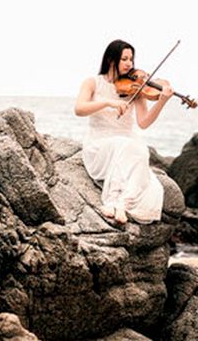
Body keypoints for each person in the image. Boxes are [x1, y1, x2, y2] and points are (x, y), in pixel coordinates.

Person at [74, 39, 173, 224]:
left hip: (127, 141)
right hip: (99, 144)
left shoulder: (135, 88)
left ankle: (121, 205)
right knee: (124, 146)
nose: (129, 64)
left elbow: (144, 122)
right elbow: (79, 109)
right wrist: (108, 102)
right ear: (111, 60)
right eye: (124, 59)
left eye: (131, 59)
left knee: (141, 151)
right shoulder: (93, 83)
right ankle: (112, 201)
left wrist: (161, 102)